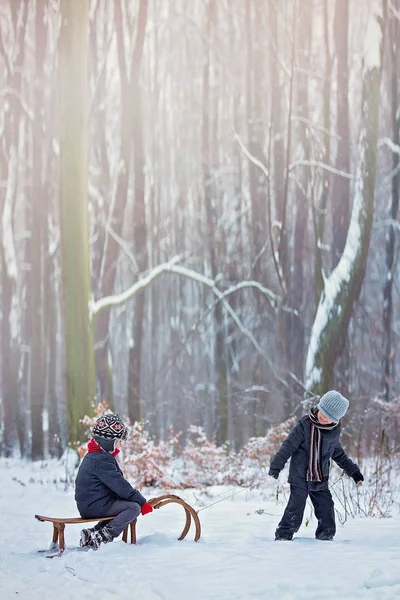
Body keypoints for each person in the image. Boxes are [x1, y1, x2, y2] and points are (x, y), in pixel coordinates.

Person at [268, 390, 364, 541]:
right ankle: (284, 534)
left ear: (336, 420)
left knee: (326, 506)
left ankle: (326, 535)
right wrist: (276, 466)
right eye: (323, 412)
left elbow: (339, 454)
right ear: (319, 407)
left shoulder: (333, 432)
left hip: (320, 477)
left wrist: (354, 472)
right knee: (295, 506)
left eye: (329, 417)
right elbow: (288, 446)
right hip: (300, 476)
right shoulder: (304, 425)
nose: (323, 418)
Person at [75, 412, 153, 550]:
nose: (120, 447)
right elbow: (121, 486)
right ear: (109, 442)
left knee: (123, 505)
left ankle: (92, 533)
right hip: (95, 506)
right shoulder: (102, 460)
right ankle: (104, 536)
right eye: (119, 442)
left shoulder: (94, 456)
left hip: (91, 504)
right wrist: (141, 502)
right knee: (133, 508)